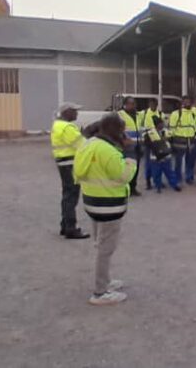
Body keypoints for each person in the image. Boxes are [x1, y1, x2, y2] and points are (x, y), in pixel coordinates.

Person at [74, 113, 136, 306]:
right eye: (122, 130)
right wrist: (130, 155)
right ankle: (100, 291)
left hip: (92, 202)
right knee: (106, 249)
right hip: (109, 205)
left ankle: (106, 280)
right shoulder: (107, 150)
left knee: (100, 244)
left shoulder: (89, 144)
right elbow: (123, 175)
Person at [51, 102, 89, 239]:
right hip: (70, 163)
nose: (77, 113)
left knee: (67, 194)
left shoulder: (58, 125)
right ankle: (71, 228)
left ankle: (65, 225)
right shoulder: (67, 127)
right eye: (74, 111)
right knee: (71, 196)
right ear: (67, 112)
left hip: (63, 162)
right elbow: (82, 145)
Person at [116, 97, 144, 197]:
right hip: (126, 146)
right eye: (131, 104)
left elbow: (140, 129)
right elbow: (117, 131)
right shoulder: (120, 115)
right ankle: (124, 189)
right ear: (125, 104)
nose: (133, 105)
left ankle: (133, 188)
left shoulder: (138, 115)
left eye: (134, 103)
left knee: (135, 168)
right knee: (126, 168)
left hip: (138, 145)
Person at [144, 116, 181, 193]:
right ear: (156, 124)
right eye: (160, 123)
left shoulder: (167, 131)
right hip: (155, 156)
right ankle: (158, 186)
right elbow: (147, 144)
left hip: (166, 155)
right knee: (156, 173)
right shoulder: (150, 133)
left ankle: (174, 185)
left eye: (162, 123)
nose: (162, 125)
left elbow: (172, 140)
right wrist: (160, 143)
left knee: (169, 172)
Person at [168, 96, 195, 185]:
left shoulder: (193, 113)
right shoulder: (176, 114)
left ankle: (189, 178)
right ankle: (178, 178)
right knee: (178, 161)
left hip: (190, 140)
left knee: (190, 161)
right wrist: (171, 140)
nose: (188, 103)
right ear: (182, 103)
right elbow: (172, 128)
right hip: (179, 141)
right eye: (186, 102)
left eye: (189, 102)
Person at [141, 98, 163, 190]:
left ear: (157, 105)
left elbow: (163, 127)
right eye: (151, 104)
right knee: (148, 163)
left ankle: (158, 181)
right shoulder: (144, 113)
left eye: (154, 104)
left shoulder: (160, 114)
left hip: (158, 141)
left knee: (159, 161)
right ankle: (148, 182)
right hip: (148, 141)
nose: (152, 106)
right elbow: (140, 125)